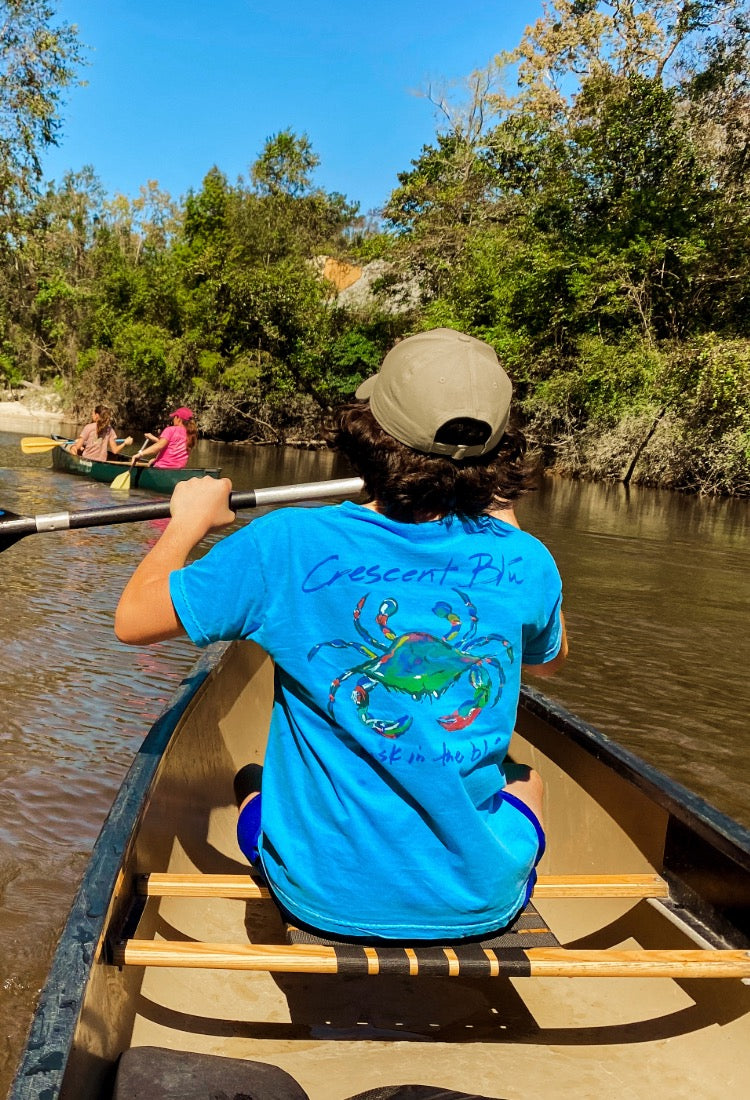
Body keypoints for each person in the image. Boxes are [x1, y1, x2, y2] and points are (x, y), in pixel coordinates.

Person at [115, 328, 568, 944]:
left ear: (368, 432)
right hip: (480, 902)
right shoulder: (527, 559)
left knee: (252, 778)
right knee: (527, 779)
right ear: (497, 455)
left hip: (318, 895)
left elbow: (134, 619)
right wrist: (507, 523)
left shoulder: (286, 544)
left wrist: (186, 523)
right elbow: (546, 660)